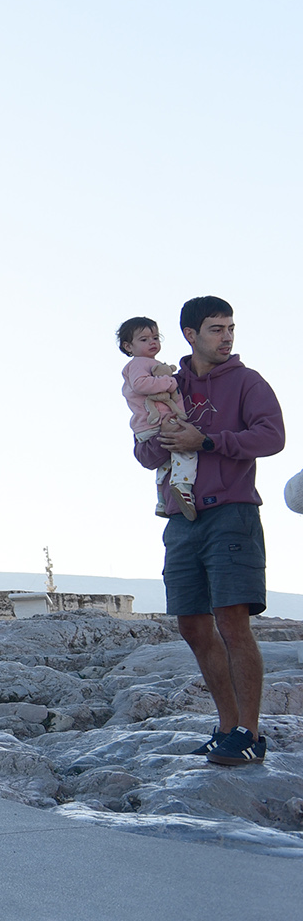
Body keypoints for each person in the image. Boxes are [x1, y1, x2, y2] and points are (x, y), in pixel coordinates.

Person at [134, 296, 284, 767]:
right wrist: (160, 440)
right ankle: (225, 728)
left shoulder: (247, 381)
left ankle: (250, 733)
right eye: (216, 329)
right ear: (190, 335)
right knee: (193, 625)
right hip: (181, 518)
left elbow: (272, 436)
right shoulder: (166, 385)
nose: (227, 337)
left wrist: (210, 440)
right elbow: (142, 455)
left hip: (232, 514)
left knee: (231, 622)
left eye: (230, 328)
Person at [118, 316, 198, 520]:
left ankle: (162, 500)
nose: (152, 342)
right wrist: (168, 382)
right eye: (144, 339)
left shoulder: (147, 363)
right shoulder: (139, 363)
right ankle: (182, 487)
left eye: (155, 337)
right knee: (185, 448)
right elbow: (141, 385)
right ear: (128, 346)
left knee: (166, 462)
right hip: (155, 422)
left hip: (147, 425)